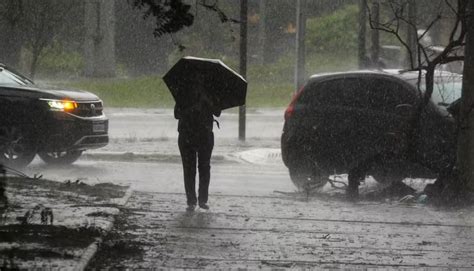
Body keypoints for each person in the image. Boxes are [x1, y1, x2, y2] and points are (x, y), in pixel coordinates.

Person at [174, 90, 221, 211]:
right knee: (189, 168)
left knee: (204, 167)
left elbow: (218, 112)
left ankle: (202, 200)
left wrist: (207, 101)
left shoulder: (210, 92)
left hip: (205, 134)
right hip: (187, 134)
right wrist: (193, 107)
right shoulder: (184, 93)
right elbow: (177, 114)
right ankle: (191, 201)